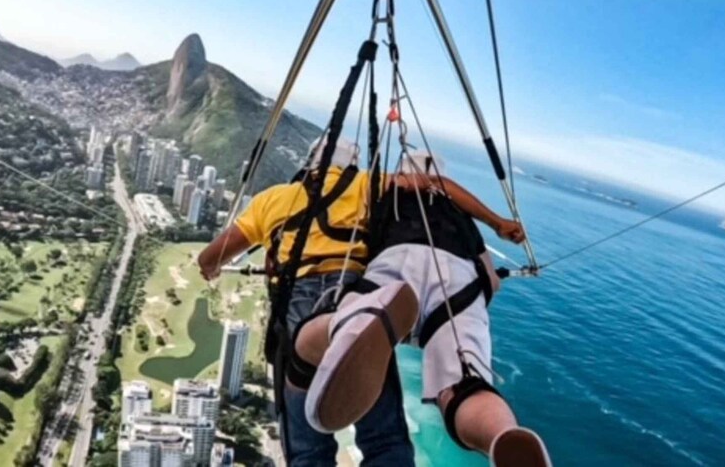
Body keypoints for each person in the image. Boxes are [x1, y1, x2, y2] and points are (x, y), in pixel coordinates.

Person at [288, 151, 552, 466]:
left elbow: (357, 241)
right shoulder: (458, 213)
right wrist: (496, 227)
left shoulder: (389, 190)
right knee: (464, 384)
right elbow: (490, 279)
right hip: (458, 282)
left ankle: (347, 326)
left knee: (341, 321)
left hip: (399, 264)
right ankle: (501, 436)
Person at [197, 137, 414, 467]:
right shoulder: (368, 185)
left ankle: (326, 333)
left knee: (308, 451)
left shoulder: (273, 200)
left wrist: (211, 270)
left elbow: (208, 257)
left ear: (309, 161)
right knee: (384, 439)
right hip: (357, 302)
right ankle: (342, 329)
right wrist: (499, 225)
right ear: (351, 164)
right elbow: (420, 186)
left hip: (296, 310)